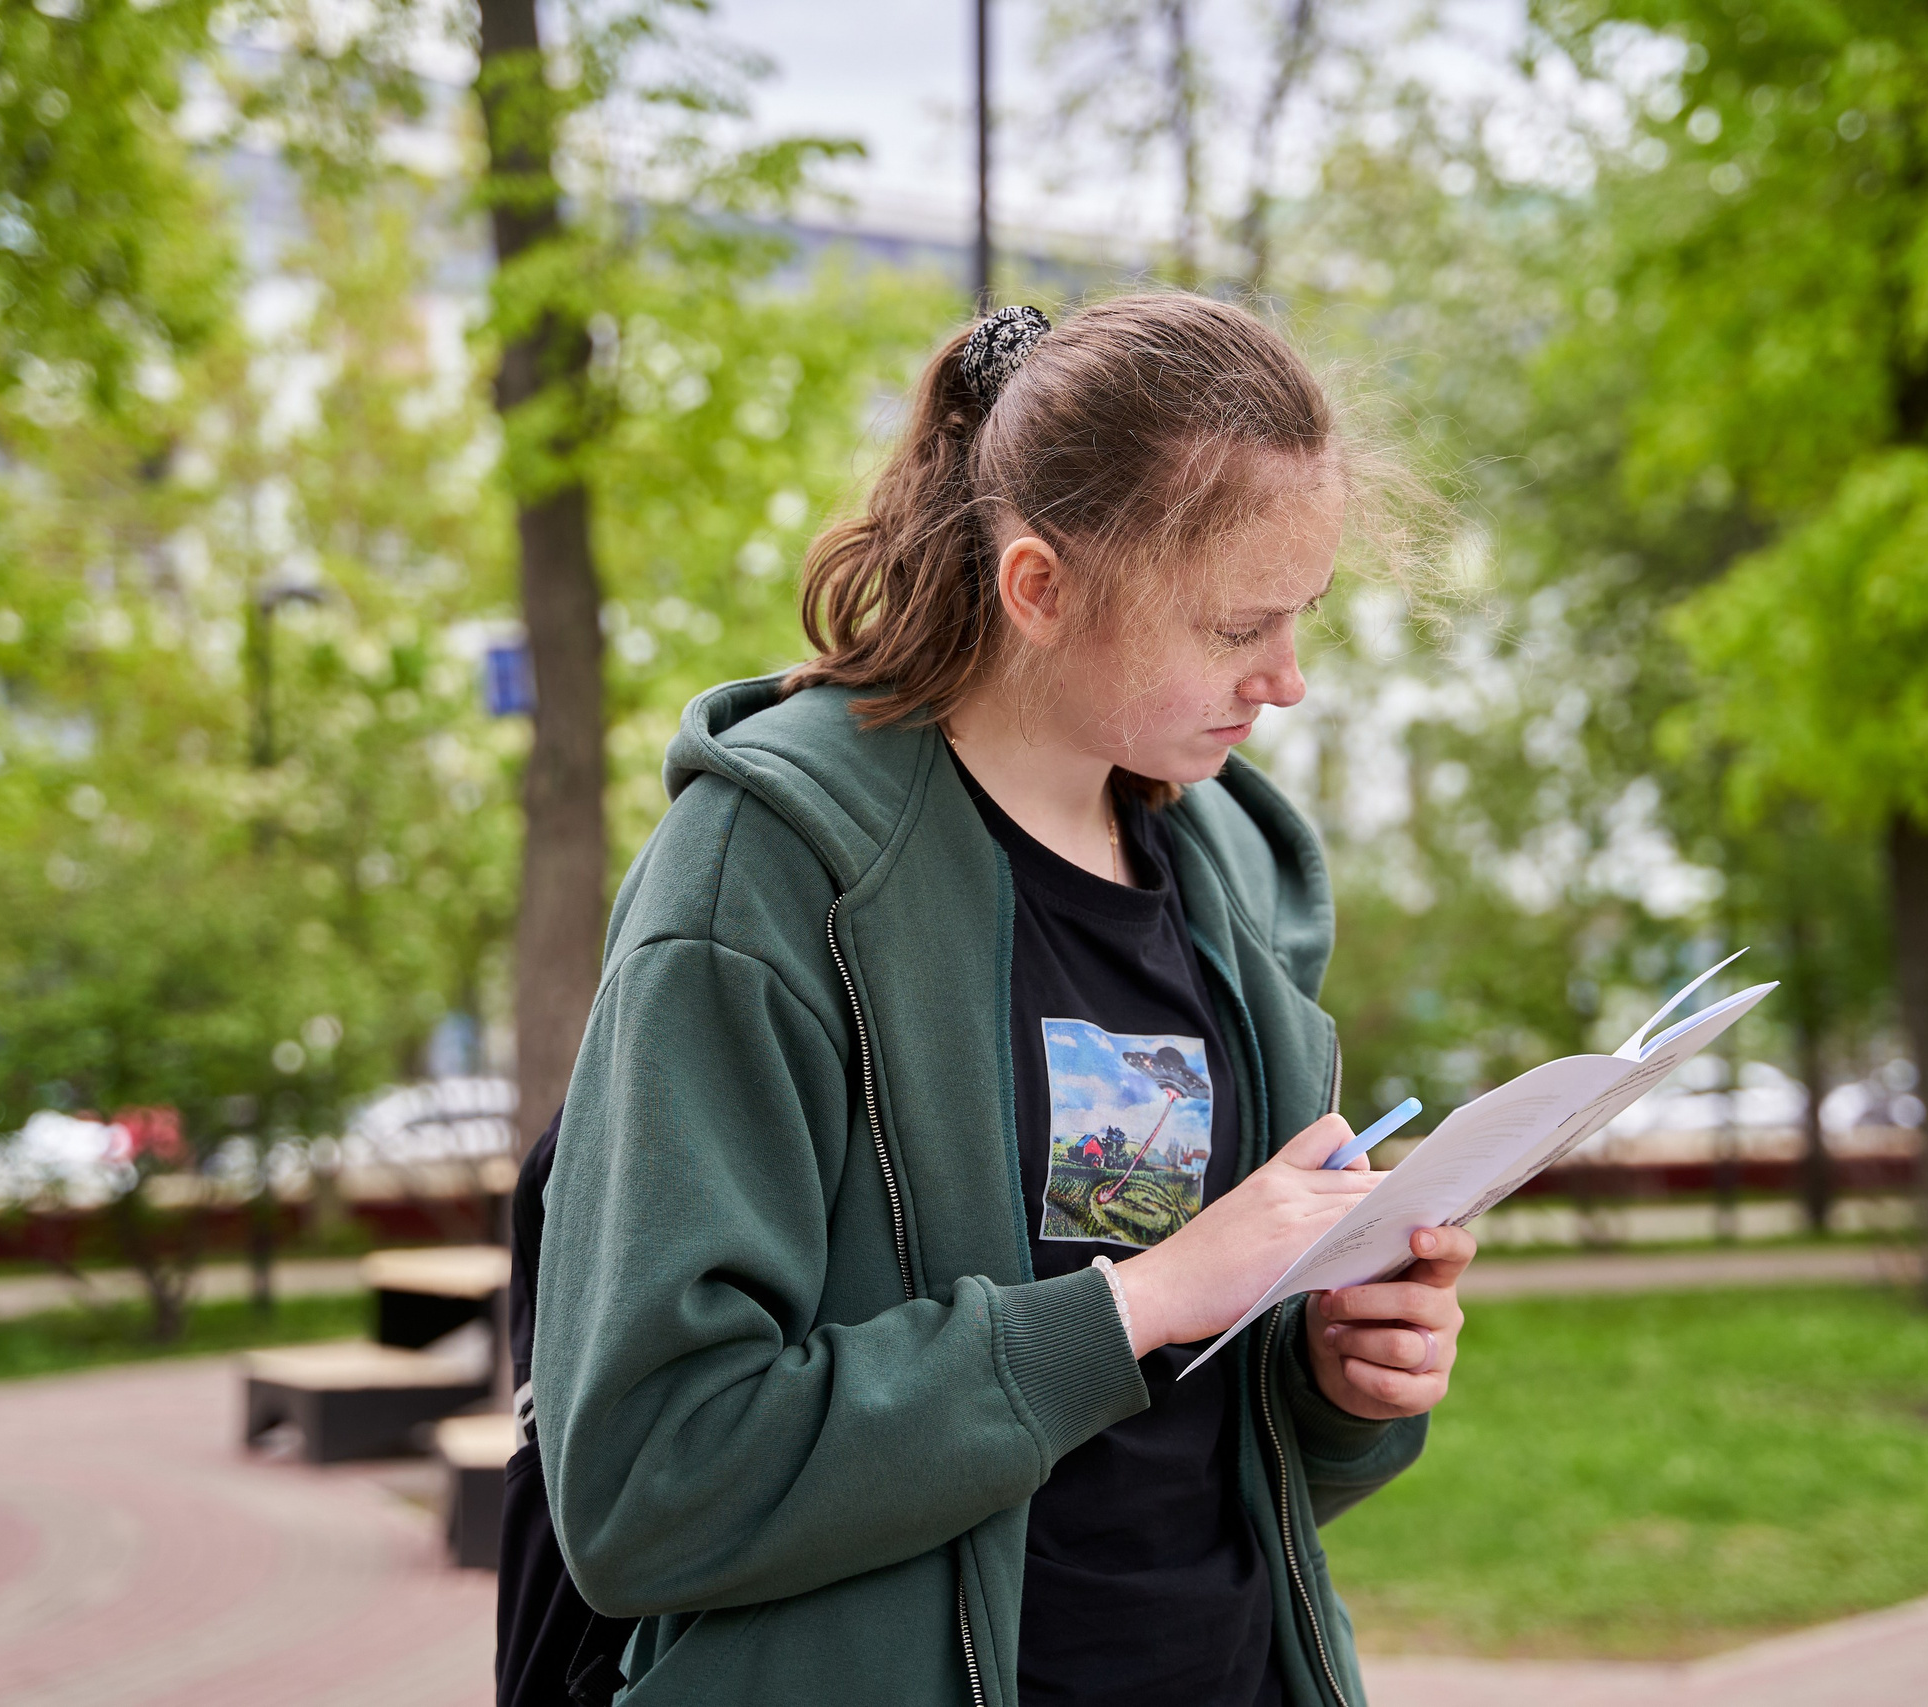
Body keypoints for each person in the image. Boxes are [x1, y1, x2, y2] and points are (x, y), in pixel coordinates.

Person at [532, 293, 1477, 1707]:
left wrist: (1339, 1384)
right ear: (1039, 588)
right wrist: (1138, 1303)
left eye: (1304, 617)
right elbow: (655, 1481)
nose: (1285, 680)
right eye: (1237, 626)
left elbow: (1186, 1446)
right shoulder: (770, 876)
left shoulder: (1229, 874)